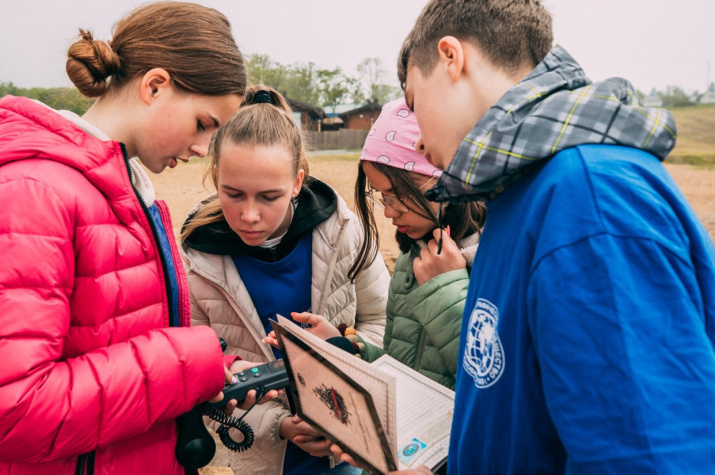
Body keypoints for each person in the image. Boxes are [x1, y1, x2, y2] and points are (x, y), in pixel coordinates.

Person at [367, 0, 715, 473]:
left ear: (451, 57)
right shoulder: (519, 200)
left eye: (413, 101)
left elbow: (644, 457)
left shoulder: (588, 201)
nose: (421, 140)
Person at [0, 3, 281, 474]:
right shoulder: (35, 193)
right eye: (203, 124)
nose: (200, 149)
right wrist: (187, 366)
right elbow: (14, 409)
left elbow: (119, 339)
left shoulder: (126, 190)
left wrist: (214, 370)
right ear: (155, 86)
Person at [180, 85, 390, 474]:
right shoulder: (194, 262)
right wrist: (279, 425)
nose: (249, 215)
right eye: (233, 194)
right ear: (214, 175)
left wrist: (343, 354)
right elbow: (199, 378)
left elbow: (382, 324)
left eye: (269, 196)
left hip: (346, 453)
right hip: (259, 457)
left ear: (297, 182)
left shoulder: (345, 232)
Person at [268, 98, 486, 392]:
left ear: (443, 178)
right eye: (382, 197)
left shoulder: (497, 261)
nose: (388, 211)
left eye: (397, 195)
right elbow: (404, 371)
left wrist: (444, 287)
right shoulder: (412, 260)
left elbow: (492, 382)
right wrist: (346, 346)